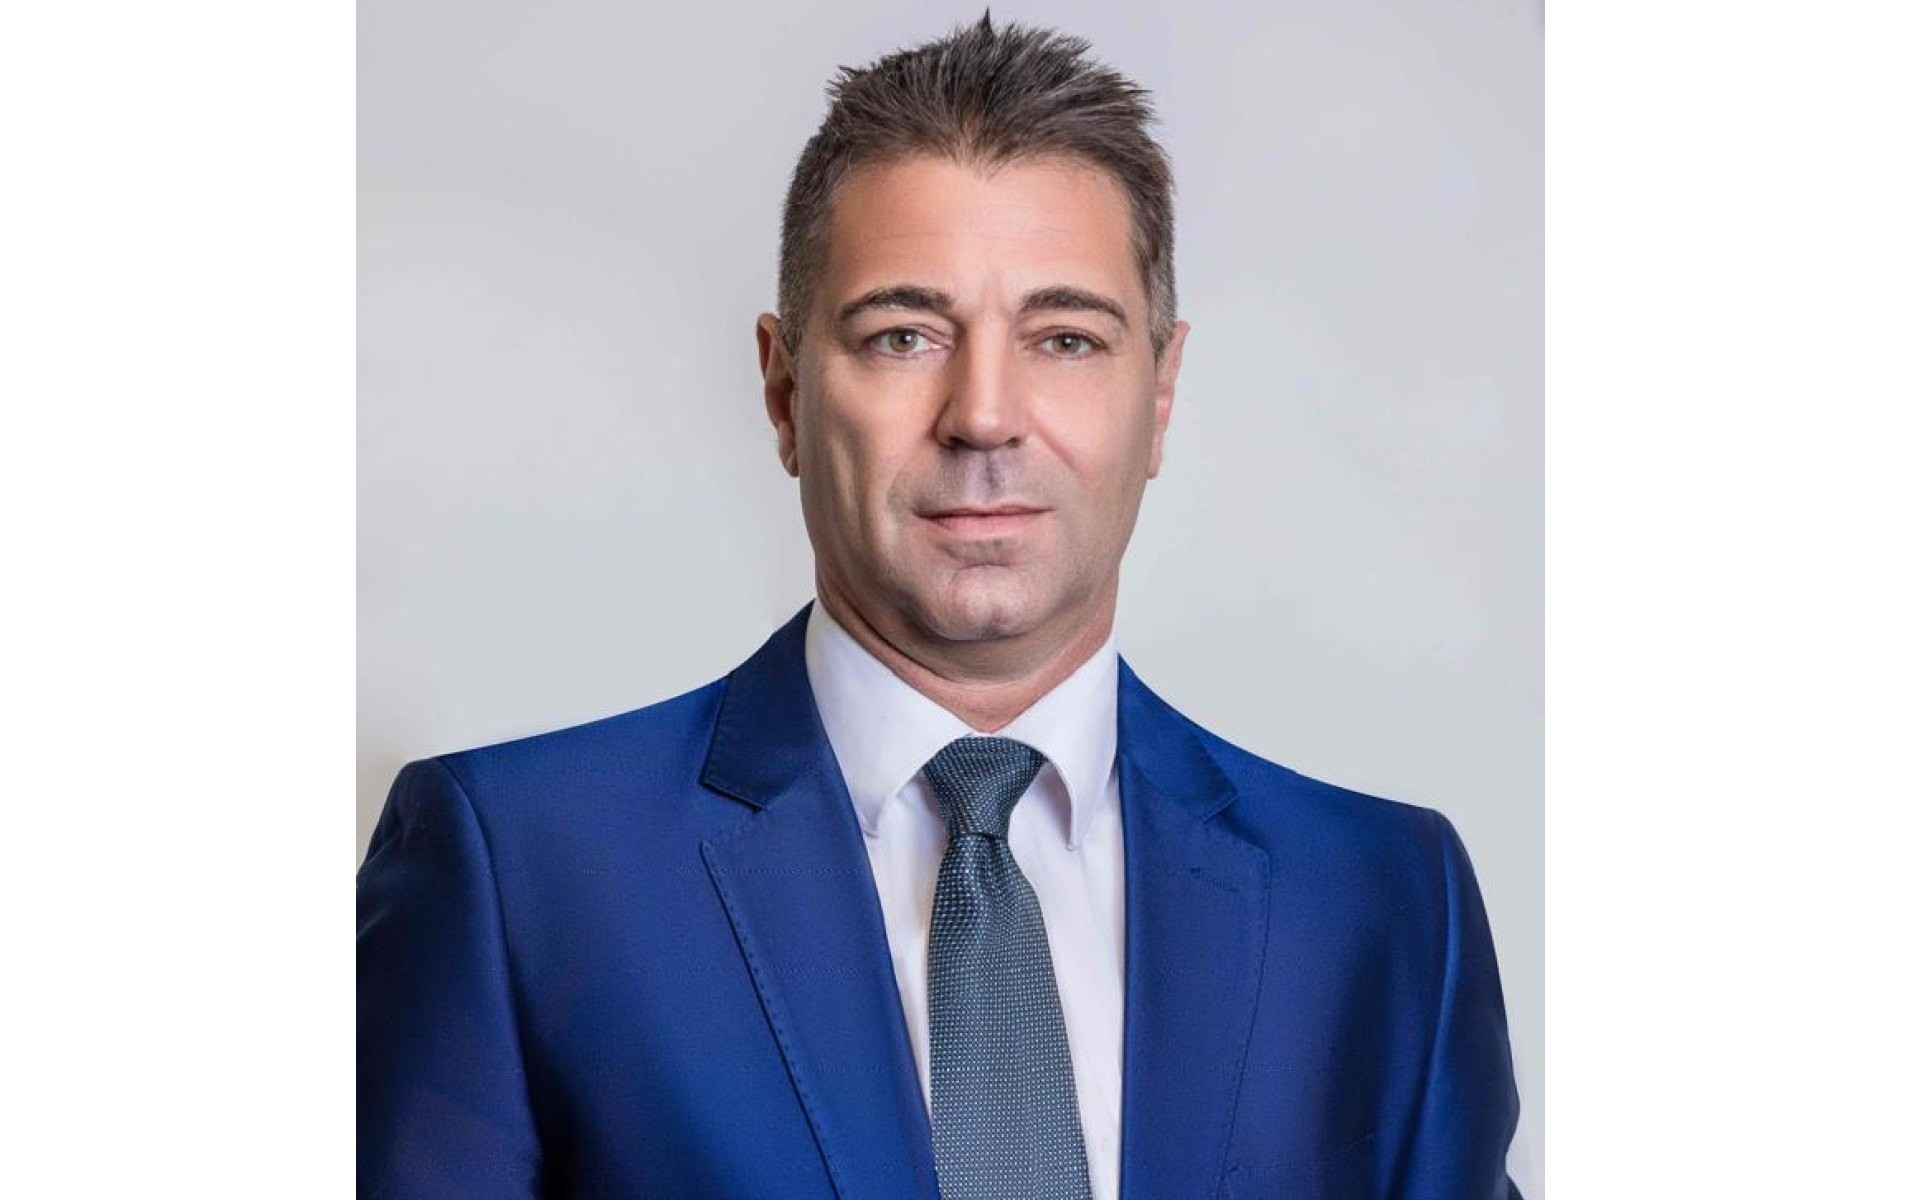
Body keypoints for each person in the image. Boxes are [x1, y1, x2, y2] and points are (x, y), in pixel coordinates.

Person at [358, 15, 1523, 1199]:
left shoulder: (1385, 905)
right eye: (904, 335)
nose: (984, 416)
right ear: (784, 389)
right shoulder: (517, 873)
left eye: (1065, 338)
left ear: (1161, 395)